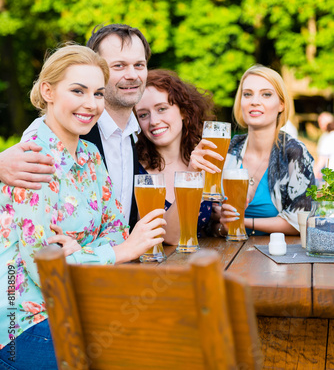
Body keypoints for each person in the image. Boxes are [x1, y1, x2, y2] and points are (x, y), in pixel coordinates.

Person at [0, 45, 166, 369]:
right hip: (25, 319)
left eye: (99, 94)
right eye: (78, 91)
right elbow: (42, 268)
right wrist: (117, 252)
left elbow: (116, 229)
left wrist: (79, 249)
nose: (90, 105)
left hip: (82, 301)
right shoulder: (31, 159)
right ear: (47, 91)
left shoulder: (89, 154)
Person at [18, 24, 150, 231]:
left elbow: (117, 229)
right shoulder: (51, 132)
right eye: (119, 66)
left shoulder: (139, 131)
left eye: (139, 65)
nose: (132, 75)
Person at [191, 64, 315, 236]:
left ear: (281, 105)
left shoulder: (294, 153)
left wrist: (240, 220)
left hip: (276, 257)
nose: (254, 101)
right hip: (227, 255)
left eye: (266, 94)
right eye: (247, 94)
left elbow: (302, 220)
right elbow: (209, 220)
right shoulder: (228, 148)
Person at [135, 69, 216, 242]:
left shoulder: (203, 160)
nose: (154, 121)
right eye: (143, 115)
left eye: (162, 109)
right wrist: (190, 176)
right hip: (158, 267)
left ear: (184, 111)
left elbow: (210, 226)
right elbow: (169, 238)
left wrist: (221, 224)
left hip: (204, 262)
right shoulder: (135, 170)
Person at [313, 111, 334, 181]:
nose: (320, 124)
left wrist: (314, 173)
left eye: (322, 121)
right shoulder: (325, 135)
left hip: (329, 174)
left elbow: (322, 159)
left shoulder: (329, 137)